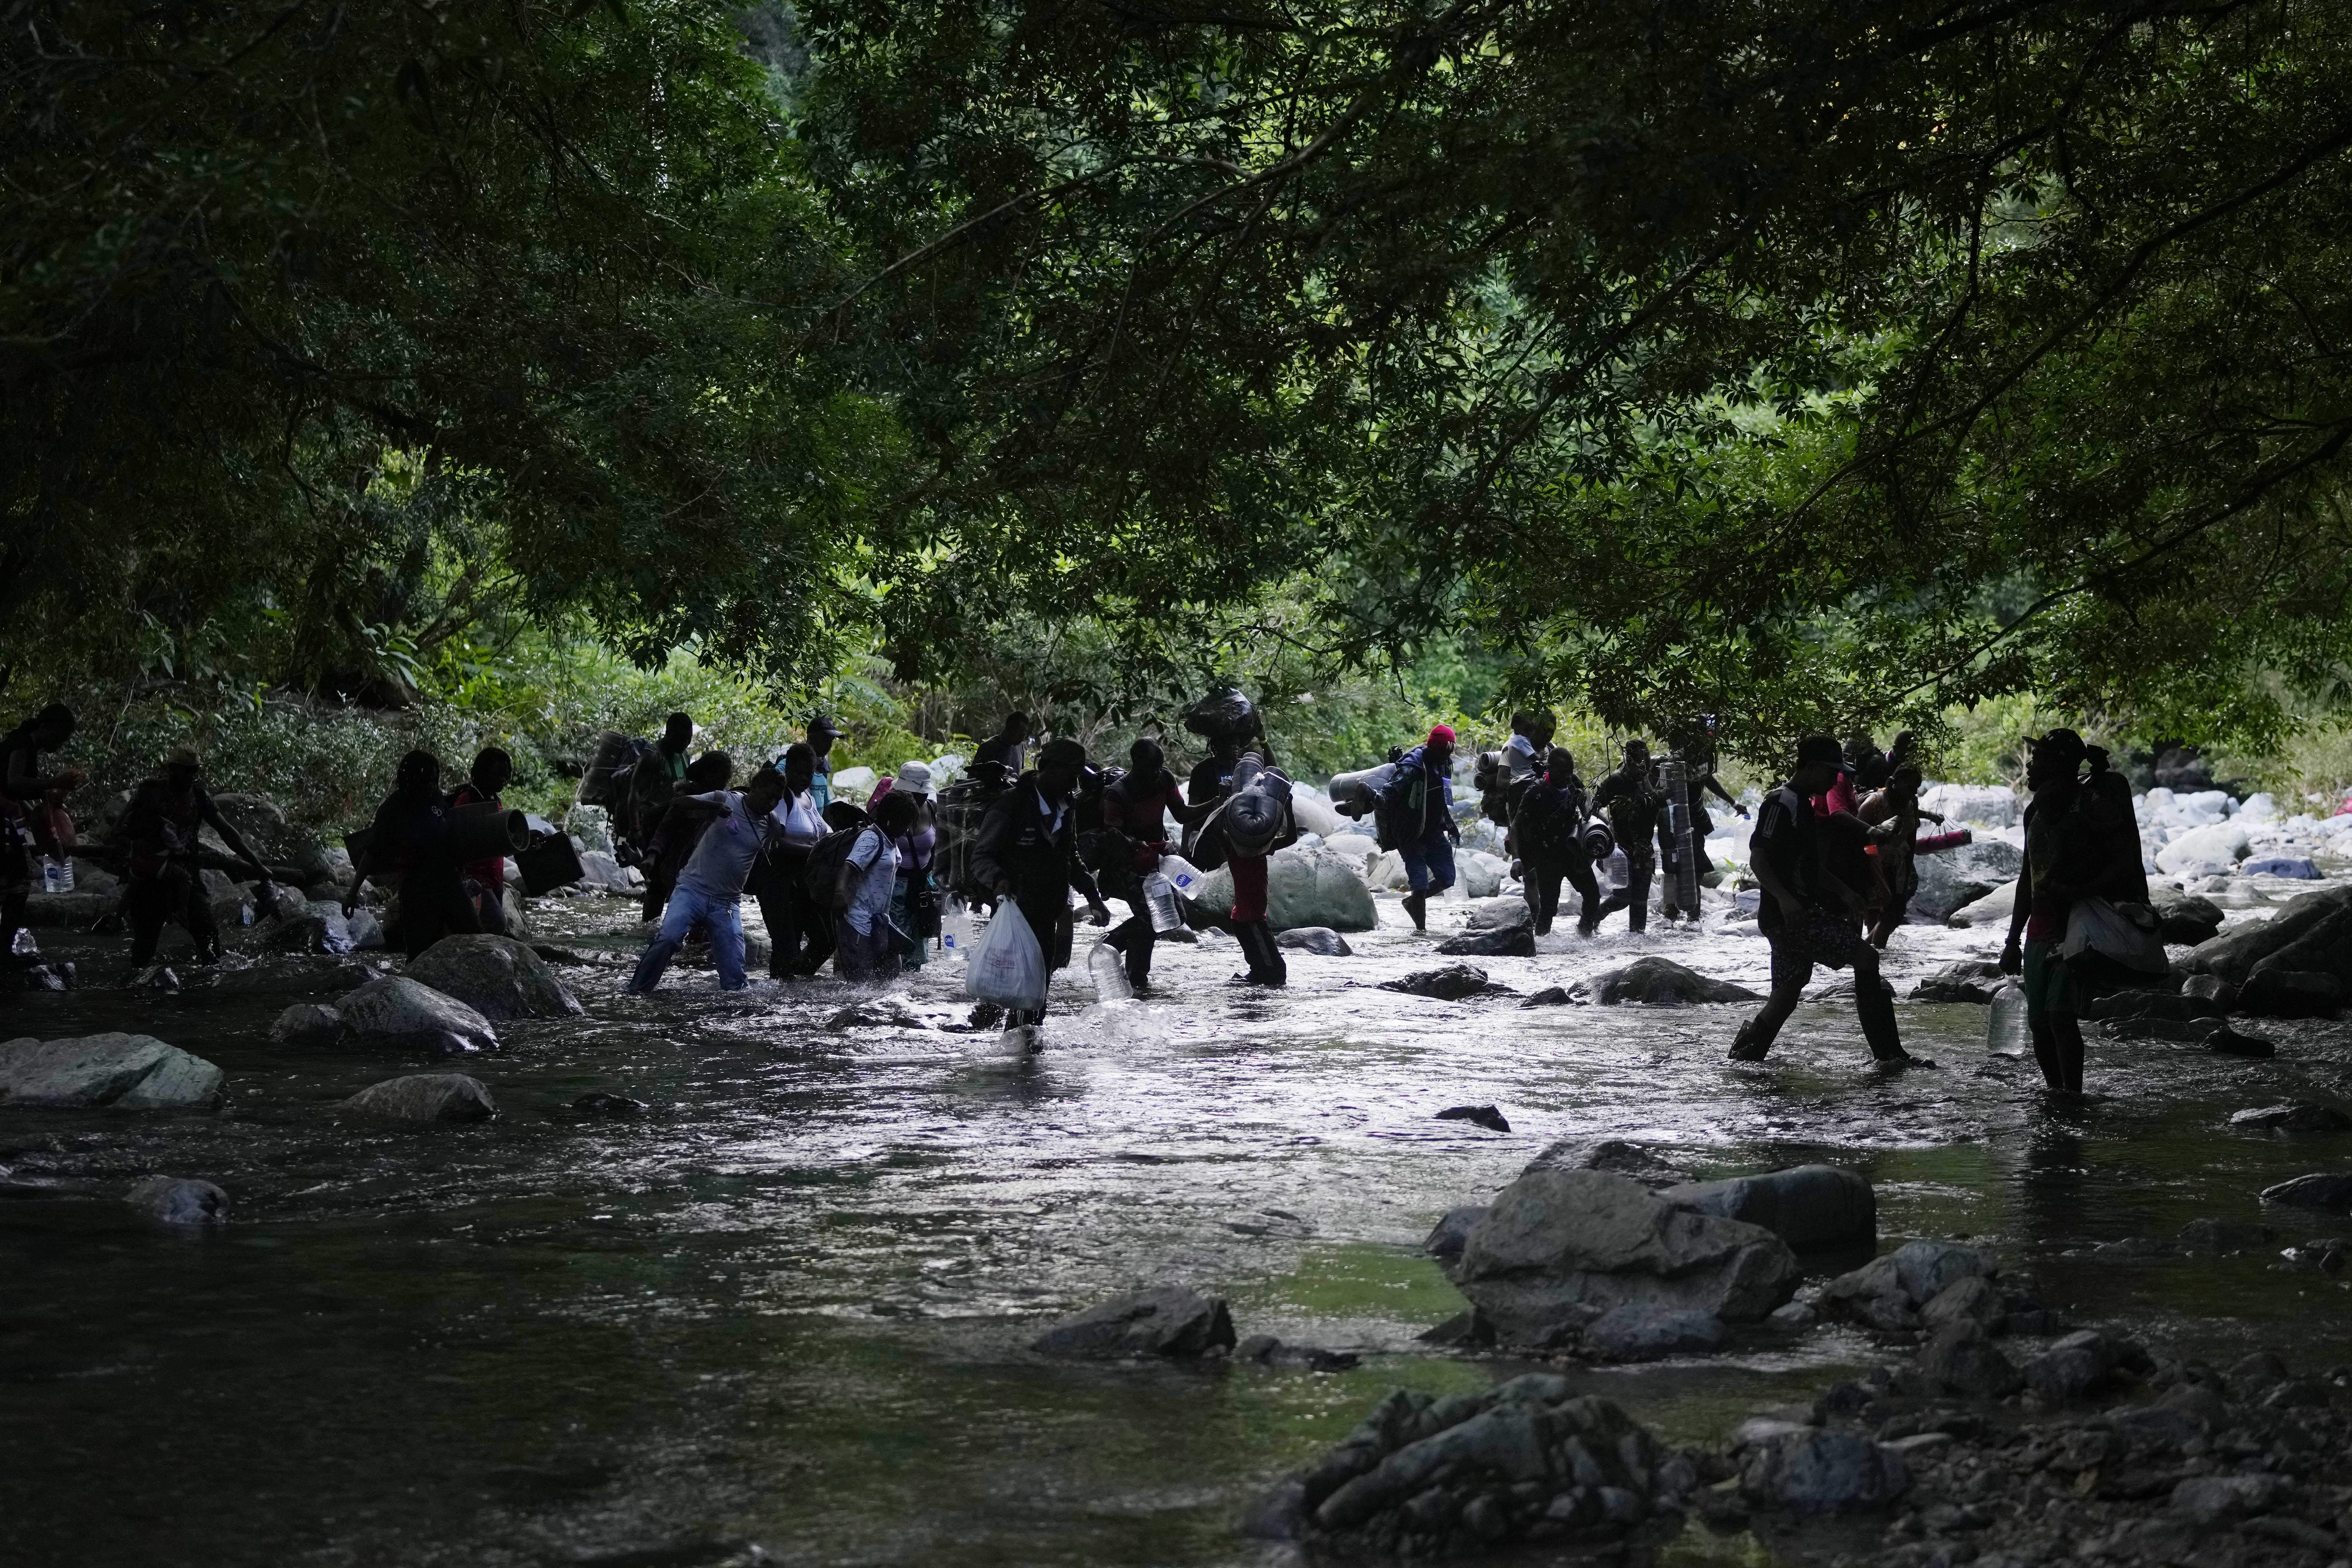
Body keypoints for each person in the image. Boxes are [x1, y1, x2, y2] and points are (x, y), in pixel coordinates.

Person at [1728, 734, 1913, 1065]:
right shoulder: (1780, 802)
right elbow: (1759, 860)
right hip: (1790, 916)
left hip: (1791, 914)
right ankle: (1890, 1057)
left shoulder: (1803, 804)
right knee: (1867, 958)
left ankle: (1743, 1059)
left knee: (1785, 996)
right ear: (1810, 767)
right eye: (1830, 773)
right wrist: (1785, 900)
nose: (1834, 780)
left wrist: (1845, 892)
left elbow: (1809, 866)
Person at [970, 737, 1111, 1039]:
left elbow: (1070, 857)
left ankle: (1025, 1056)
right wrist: (998, 879)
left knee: (1037, 991)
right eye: (1070, 775)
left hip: (1049, 911)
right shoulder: (1012, 803)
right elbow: (981, 856)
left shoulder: (1066, 805)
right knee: (1005, 987)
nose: (1074, 784)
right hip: (1015, 912)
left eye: (1077, 777)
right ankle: (994, 1046)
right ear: (1047, 768)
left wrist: (1094, 897)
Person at [626, 760, 784, 994]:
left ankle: (732, 1018)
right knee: (669, 939)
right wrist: (710, 808)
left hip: (728, 902)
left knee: (735, 978)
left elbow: (770, 848)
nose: (771, 803)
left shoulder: (771, 822)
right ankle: (636, 992)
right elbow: (678, 805)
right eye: (768, 796)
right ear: (755, 786)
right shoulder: (724, 799)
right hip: (693, 889)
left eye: (777, 800)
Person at [2001, 730, 2096, 1098]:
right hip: (2040, 926)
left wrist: (2077, 892)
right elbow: (2027, 875)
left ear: (2059, 765)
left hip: (2077, 924)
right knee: (2039, 1022)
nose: (2030, 765)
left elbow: (2114, 865)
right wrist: (2012, 940)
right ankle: (2055, 1093)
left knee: (2060, 1015)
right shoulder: (2033, 813)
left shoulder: (2089, 806)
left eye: (2038, 758)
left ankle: (2074, 1095)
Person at [117, 745, 275, 966]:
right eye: (186, 771)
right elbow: (122, 827)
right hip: (150, 878)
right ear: (172, 769)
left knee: (209, 936)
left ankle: (209, 988)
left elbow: (227, 832)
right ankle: (135, 991)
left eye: (195, 771)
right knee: (144, 948)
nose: (192, 776)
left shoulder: (199, 796)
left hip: (187, 875)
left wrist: (257, 865)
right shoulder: (150, 791)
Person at [1094, 738, 1207, 992]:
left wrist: (1214, 804)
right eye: (1152, 767)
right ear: (1136, 763)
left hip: (1156, 865)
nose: (1157, 772)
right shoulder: (1118, 793)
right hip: (1126, 868)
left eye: (1160, 766)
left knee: (1175, 917)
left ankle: (1119, 955)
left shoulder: (1165, 779)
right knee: (1149, 919)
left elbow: (1181, 813)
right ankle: (1132, 971)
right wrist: (1136, 845)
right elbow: (1112, 836)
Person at [348, 750, 480, 959]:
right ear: (409, 779)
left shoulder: (436, 797)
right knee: (419, 954)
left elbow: (448, 826)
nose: (430, 785)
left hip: (450, 881)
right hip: (417, 890)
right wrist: (352, 893)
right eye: (425, 780)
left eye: (434, 780)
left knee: (475, 938)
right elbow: (372, 852)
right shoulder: (392, 810)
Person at [1, 702, 82, 964]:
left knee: (16, 879)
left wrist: (42, 810)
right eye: (61, 737)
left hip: (8, 816)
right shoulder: (23, 743)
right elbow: (13, 782)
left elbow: (11, 789)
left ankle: (4, 948)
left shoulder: (23, 743)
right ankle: (3, 952)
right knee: (18, 881)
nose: (60, 744)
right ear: (48, 727)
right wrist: (54, 783)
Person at [1856, 764, 1969, 947]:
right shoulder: (1874, 804)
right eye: (1910, 787)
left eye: (1916, 788)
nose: (1914, 793)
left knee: (1894, 916)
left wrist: (1908, 870)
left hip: (1898, 866)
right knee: (1879, 914)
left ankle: (1872, 951)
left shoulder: (1911, 804)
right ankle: (1871, 956)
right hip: (1874, 866)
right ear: (1893, 784)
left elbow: (1910, 839)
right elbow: (1856, 839)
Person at [754, 744, 832, 977]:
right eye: (797, 772)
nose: (803, 778)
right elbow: (775, 844)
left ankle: (795, 983)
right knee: (787, 947)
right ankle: (781, 997)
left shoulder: (808, 796)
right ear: (787, 769)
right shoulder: (781, 799)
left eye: (808, 773)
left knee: (826, 939)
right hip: (778, 884)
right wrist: (815, 852)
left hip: (804, 884)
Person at [1378, 725, 1459, 932]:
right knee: (1420, 885)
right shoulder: (1413, 767)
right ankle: (1421, 933)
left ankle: (1411, 903)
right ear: (1433, 748)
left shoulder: (1445, 764)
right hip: (1410, 834)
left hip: (1433, 831)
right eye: (1444, 752)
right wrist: (1374, 800)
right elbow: (1389, 792)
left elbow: (1444, 796)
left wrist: (1450, 825)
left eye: (1449, 753)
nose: (1447, 757)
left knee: (1448, 877)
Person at [1515, 746, 1600, 937]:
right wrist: (1517, 859)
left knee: (1593, 895)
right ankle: (1541, 947)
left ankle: (1584, 936)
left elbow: (1589, 813)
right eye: (1562, 773)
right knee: (1549, 908)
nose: (1568, 777)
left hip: (1573, 852)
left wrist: (1604, 836)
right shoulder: (1536, 792)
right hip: (1547, 857)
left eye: (1570, 773)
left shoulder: (1573, 782)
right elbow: (1516, 827)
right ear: (1550, 768)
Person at [835, 791, 919, 981]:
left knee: (890, 971)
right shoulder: (871, 838)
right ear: (892, 819)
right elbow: (849, 867)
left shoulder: (890, 839)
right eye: (905, 823)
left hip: (879, 920)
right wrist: (840, 894)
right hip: (857, 919)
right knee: (860, 982)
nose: (907, 830)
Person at [642, 751, 734, 922]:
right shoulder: (686, 796)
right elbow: (666, 828)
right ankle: (646, 934)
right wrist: (652, 856)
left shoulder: (723, 799)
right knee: (658, 893)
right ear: (708, 775)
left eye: (727, 779)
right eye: (722, 778)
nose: (724, 784)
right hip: (671, 858)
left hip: (699, 865)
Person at [869, 761, 940, 970]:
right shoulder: (888, 811)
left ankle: (912, 994)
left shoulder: (933, 809)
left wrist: (937, 885)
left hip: (922, 887)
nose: (922, 799)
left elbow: (937, 847)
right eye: (917, 795)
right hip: (893, 888)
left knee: (917, 950)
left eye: (924, 794)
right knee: (893, 947)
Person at [1589, 740, 1666, 933]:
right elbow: (1593, 807)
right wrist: (1606, 828)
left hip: (1644, 849)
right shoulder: (1615, 782)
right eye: (1639, 763)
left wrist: (1646, 781)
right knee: (1622, 898)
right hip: (1619, 850)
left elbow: (1658, 804)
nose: (1643, 767)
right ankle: (1592, 920)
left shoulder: (1650, 785)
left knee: (1640, 902)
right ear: (1629, 761)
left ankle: (1637, 944)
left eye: (1645, 763)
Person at [446, 746, 515, 936]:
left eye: (506, 775)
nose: (503, 779)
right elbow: (454, 838)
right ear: (481, 773)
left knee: (491, 932)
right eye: (497, 774)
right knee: (496, 924)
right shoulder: (467, 799)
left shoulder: (494, 799)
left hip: (494, 878)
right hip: (474, 880)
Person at [623, 712, 694, 855]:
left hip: (671, 821)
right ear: (668, 733)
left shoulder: (684, 755)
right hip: (651, 823)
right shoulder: (652, 756)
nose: (686, 743)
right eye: (681, 738)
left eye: (689, 739)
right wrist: (635, 827)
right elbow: (635, 790)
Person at [972, 713, 1033, 777]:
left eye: (1024, 735)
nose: (1023, 740)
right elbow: (972, 779)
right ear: (1009, 729)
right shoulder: (987, 748)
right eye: (1021, 735)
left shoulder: (1020, 746)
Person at [806, 714, 846, 811]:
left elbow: (825, 803)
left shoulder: (823, 767)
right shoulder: (791, 763)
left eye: (831, 741)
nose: (829, 745)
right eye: (825, 740)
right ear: (812, 738)